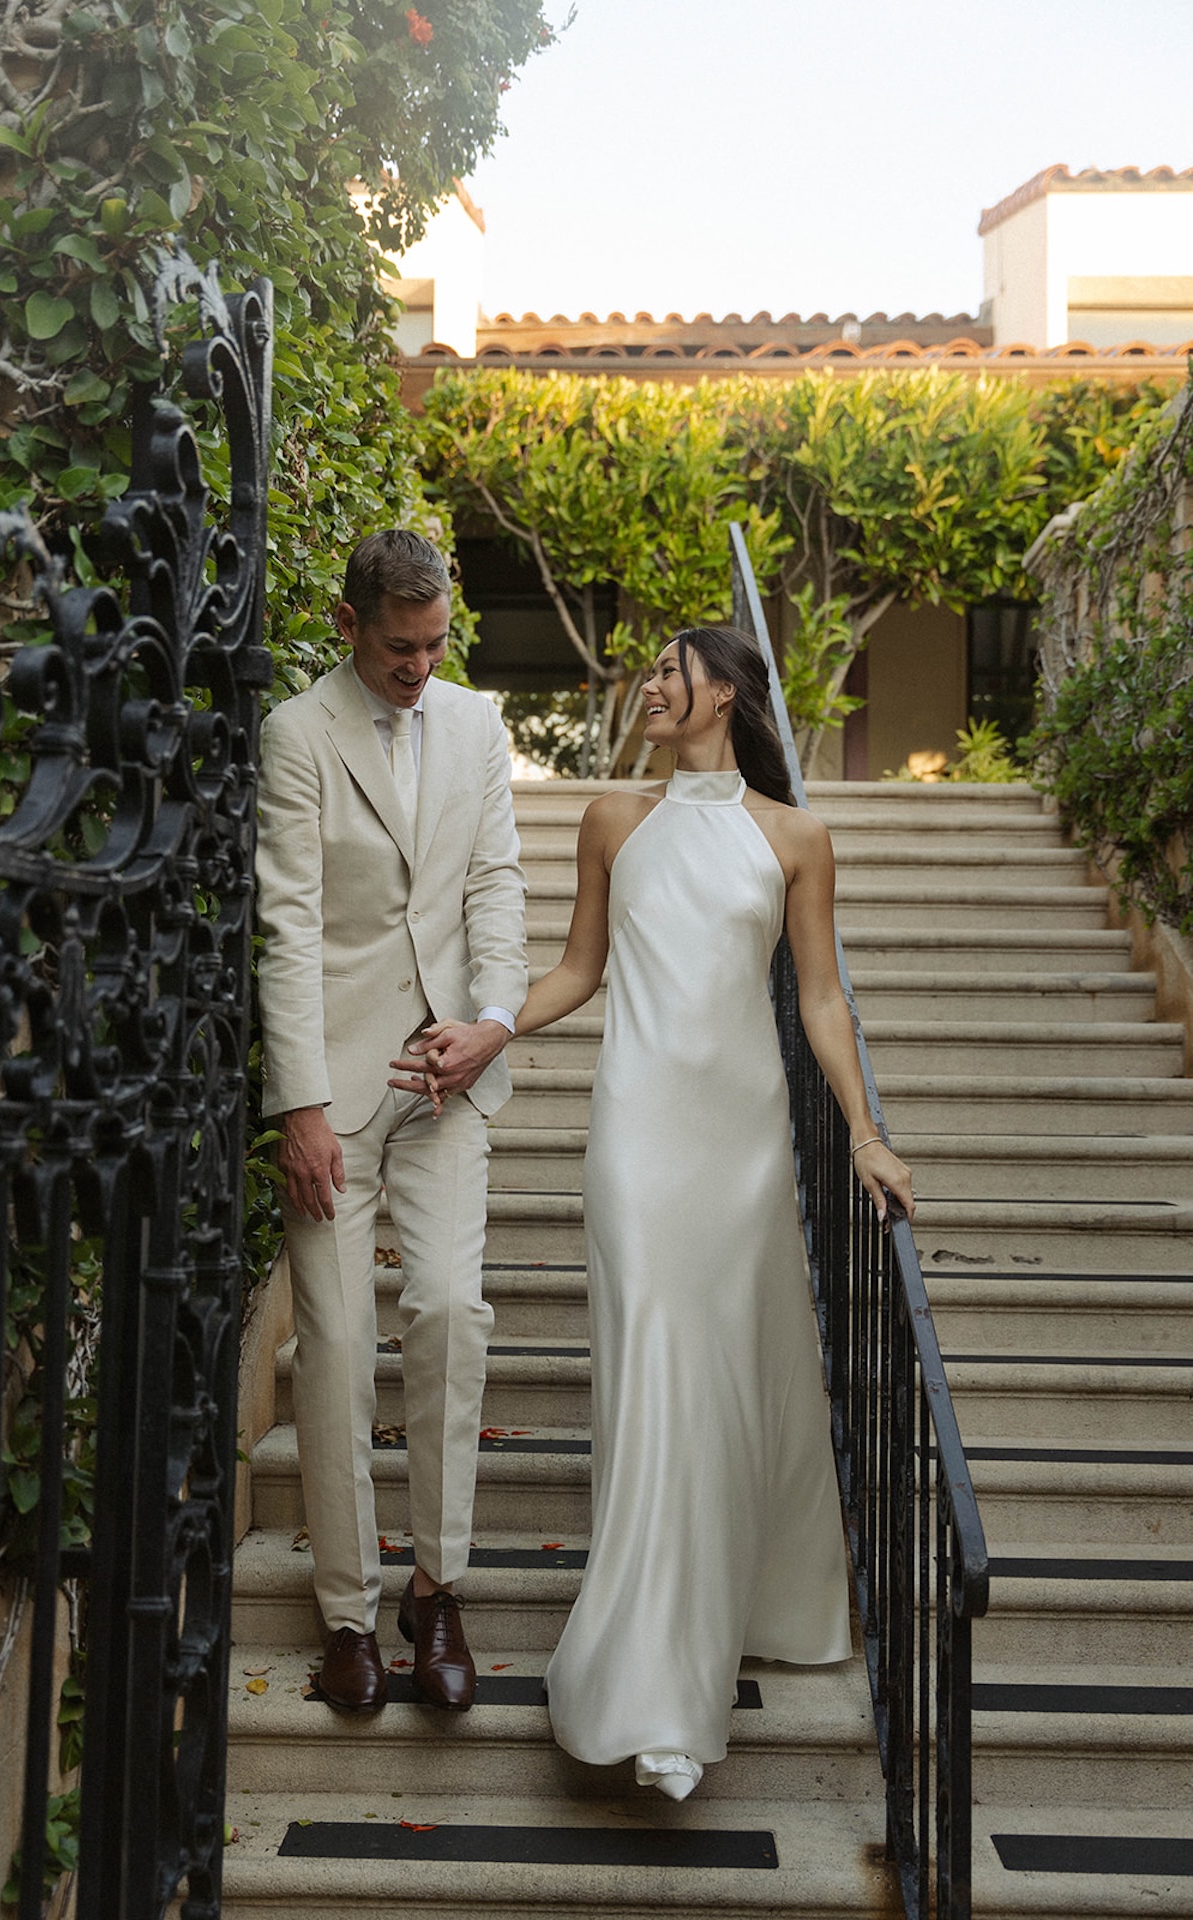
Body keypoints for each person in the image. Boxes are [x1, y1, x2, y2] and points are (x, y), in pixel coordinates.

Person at [407, 623, 913, 1798]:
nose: (648, 685)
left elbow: (822, 1001)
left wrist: (865, 1136)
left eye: (669, 673)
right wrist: (490, 1029)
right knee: (653, 1385)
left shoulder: (794, 838)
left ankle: (731, 1612)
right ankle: (653, 1690)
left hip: (740, 1146)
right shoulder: (609, 821)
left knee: (725, 1382)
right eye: (647, 671)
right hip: (636, 1138)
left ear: (723, 693)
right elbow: (579, 970)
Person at [255, 528, 527, 1716]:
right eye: (400, 647)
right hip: (334, 1089)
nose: (421, 666)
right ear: (350, 623)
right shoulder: (295, 735)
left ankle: (436, 1590)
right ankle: (349, 1617)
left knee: (450, 1309)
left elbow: (493, 881)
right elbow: (288, 924)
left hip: (447, 1079)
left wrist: (495, 1020)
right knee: (331, 1348)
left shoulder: (476, 723)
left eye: (435, 643)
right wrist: (300, 1106)